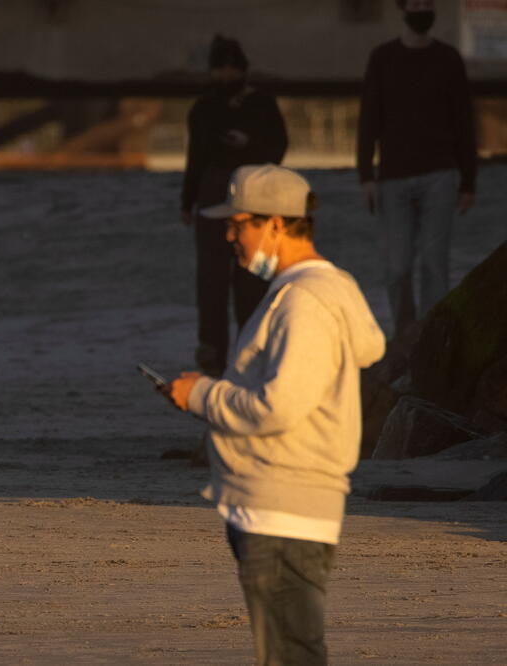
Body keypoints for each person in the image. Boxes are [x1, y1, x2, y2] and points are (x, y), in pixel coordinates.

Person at [167, 165, 385, 664]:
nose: (228, 235)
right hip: (282, 506)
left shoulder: (304, 300)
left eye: (238, 223)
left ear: (277, 225)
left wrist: (202, 395)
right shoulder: (308, 293)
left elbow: (278, 405)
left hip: (283, 509)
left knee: (291, 655)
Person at [357, 0, 477, 337]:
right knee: (397, 267)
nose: (423, 8)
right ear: (403, 8)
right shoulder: (383, 58)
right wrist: (365, 174)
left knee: (434, 264)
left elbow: (463, 122)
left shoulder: (448, 59)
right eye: (416, 2)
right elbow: (369, 119)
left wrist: (469, 181)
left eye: (428, 2)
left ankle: (430, 337)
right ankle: (405, 337)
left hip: (440, 173)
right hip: (393, 176)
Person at [181, 34, 288, 377]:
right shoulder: (204, 108)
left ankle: (252, 349)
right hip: (212, 195)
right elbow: (195, 158)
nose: (225, 76)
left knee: (253, 278)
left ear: (242, 70)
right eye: (220, 69)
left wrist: (249, 144)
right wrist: (188, 200)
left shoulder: (262, 105)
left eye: (231, 69)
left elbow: (277, 149)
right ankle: (213, 352)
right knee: (211, 280)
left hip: (255, 195)